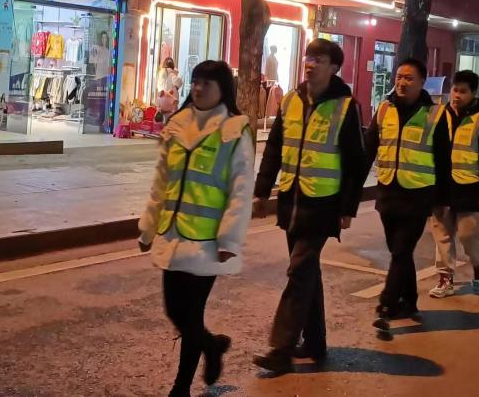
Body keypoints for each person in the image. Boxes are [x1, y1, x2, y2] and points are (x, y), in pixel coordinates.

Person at [138, 60, 253, 396]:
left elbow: (241, 189)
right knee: (175, 311)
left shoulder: (234, 130)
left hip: (208, 241)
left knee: (191, 314)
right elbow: (161, 183)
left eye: (207, 83)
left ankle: (181, 388)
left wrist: (230, 239)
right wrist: (148, 228)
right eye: (196, 81)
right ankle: (211, 345)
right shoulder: (177, 125)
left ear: (222, 89)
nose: (199, 88)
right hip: (173, 235)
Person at [252, 39, 365, 373]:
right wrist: (262, 191)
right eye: (308, 57)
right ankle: (315, 343)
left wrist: (348, 208)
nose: (310, 64)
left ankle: (281, 348)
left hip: (323, 205)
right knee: (307, 273)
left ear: (334, 67)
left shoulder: (346, 107)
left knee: (299, 270)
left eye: (319, 59)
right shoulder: (291, 100)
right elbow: (274, 148)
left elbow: (355, 163)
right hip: (292, 200)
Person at [363, 58, 445, 320]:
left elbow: (444, 160)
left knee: (400, 250)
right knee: (399, 251)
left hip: (418, 195)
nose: (402, 82)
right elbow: (368, 150)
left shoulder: (435, 115)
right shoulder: (384, 109)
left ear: (422, 82)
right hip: (388, 192)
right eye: (399, 77)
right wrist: (352, 191)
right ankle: (409, 302)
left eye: (409, 78)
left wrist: (442, 200)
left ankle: (387, 303)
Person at [429, 70, 479, 298]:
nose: (457, 95)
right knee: (441, 233)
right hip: (441, 185)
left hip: (468, 187)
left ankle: (477, 265)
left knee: (468, 235)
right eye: (454, 90)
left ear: (473, 93)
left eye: (463, 91)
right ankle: (445, 278)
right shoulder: (440, 115)